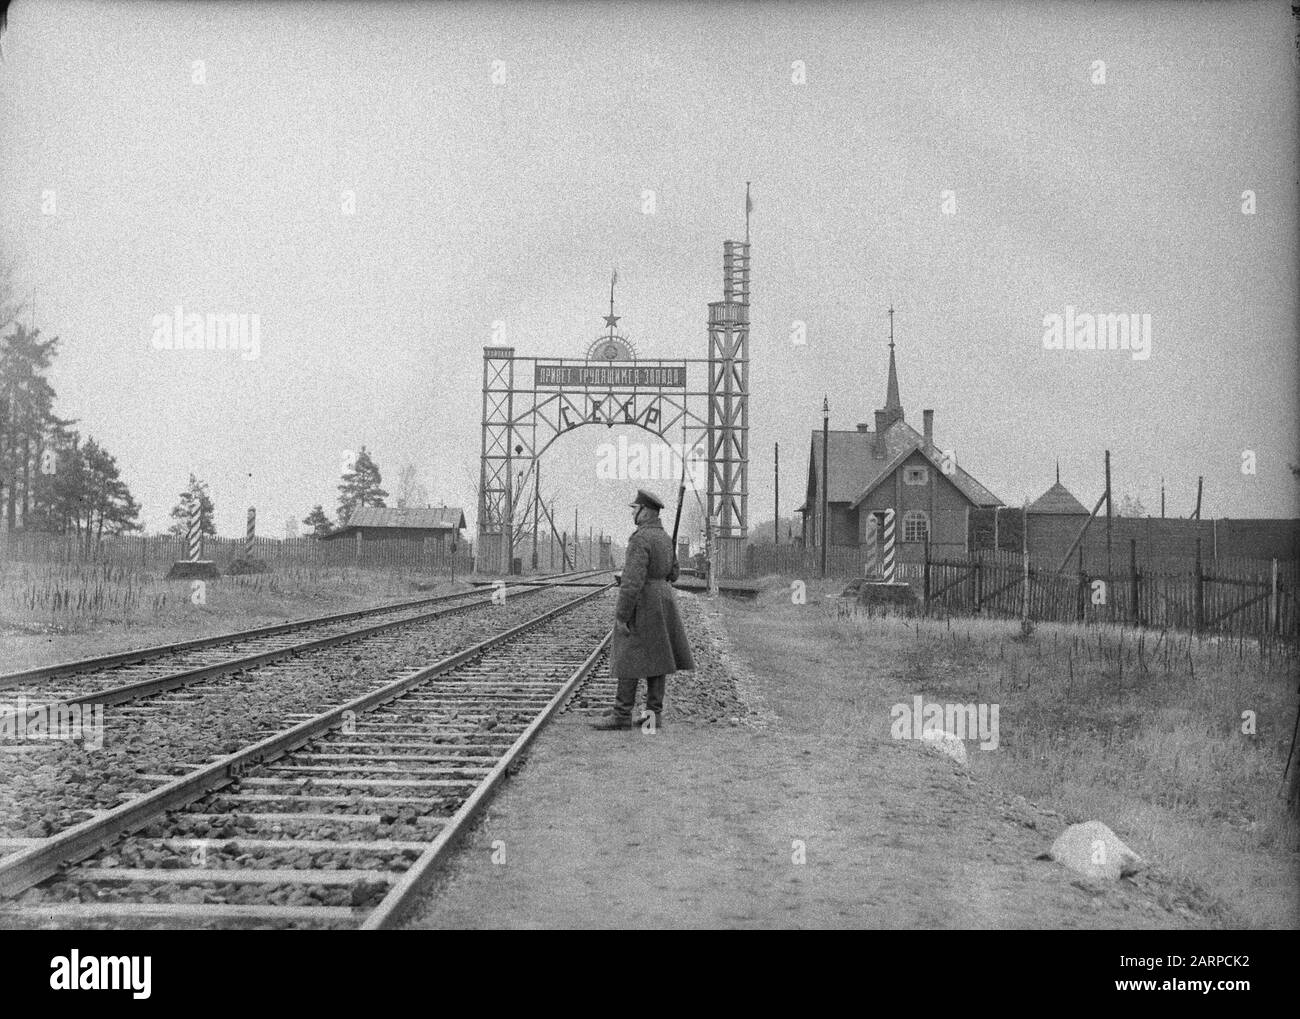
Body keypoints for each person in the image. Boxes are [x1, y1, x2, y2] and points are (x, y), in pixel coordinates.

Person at [591, 488, 695, 731]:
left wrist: (622, 615)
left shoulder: (640, 539)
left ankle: (621, 715)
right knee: (658, 656)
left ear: (645, 512)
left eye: (635, 509)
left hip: (644, 602)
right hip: (663, 601)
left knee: (627, 652)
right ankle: (653, 715)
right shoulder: (665, 538)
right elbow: (674, 574)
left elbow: (632, 582)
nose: (633, 514)